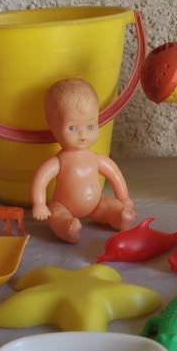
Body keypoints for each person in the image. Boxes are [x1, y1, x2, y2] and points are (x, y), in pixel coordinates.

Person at [31, 78, 136, 243]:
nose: (83, 135)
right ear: (53, 128)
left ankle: (120, 216)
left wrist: (123, 198)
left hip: (95, 205)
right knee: (55, 214)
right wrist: (39, 203)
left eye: (90, 126)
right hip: (63, 206)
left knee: (108, 207)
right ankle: (67, 227)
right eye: (72, 128)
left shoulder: (94, 158)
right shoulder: (59, 161)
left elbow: (114, 173)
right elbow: (40, 179)